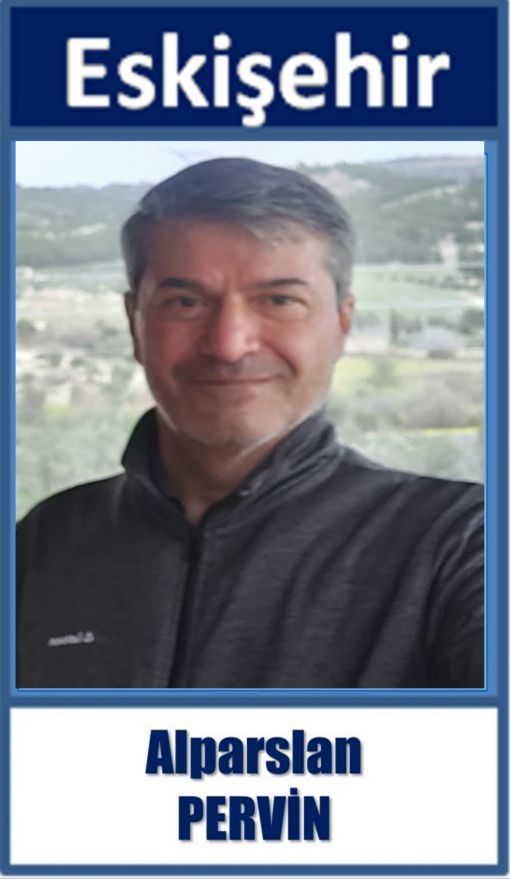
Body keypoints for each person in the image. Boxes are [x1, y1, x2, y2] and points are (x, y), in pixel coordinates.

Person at [16, 158, 484, 689]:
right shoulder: (44, 542)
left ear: (341, 324)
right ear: (134, 324)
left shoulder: (462, 544)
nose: (229, 345)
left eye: (279, 300)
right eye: (185, 302)